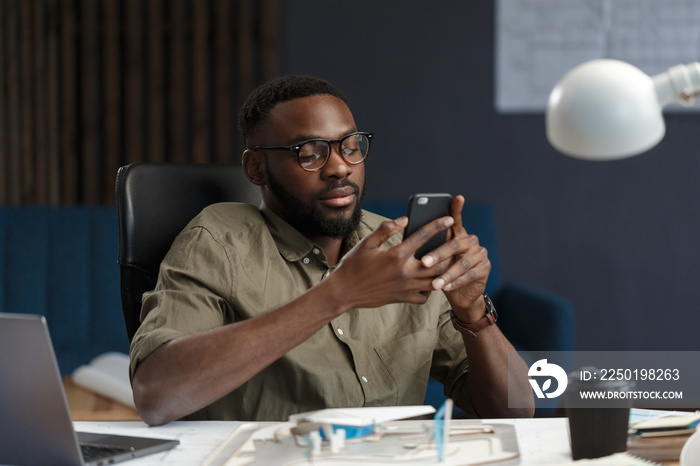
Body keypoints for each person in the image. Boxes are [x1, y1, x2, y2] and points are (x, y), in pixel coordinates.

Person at [129, 74, 535, 426]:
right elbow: (157, 397)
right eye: (309, 152)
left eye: (350, 146)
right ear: (256, 169)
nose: (340, 166)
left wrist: (473, 314)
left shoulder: (403, 248)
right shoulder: (217, 240)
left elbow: (514, 412)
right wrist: (337, 295)